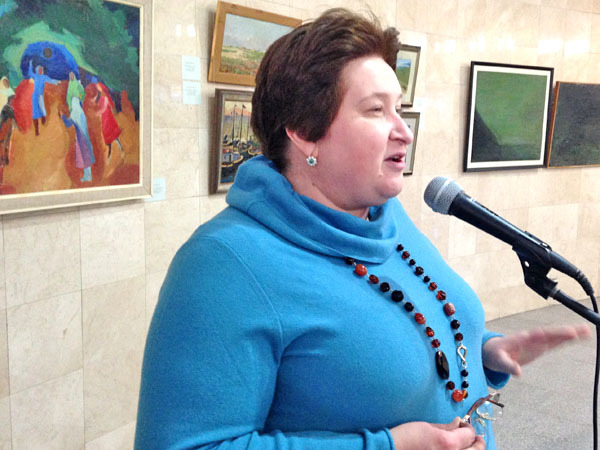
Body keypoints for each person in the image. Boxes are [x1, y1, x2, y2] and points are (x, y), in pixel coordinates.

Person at [135, 8, 590, 450]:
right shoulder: (223, 263)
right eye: (376, 110)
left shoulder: (383, 216)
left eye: (400, 108)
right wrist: (387, 446)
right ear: (304, 131)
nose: (404, 131)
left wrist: (482, 349)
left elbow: (405, 327)